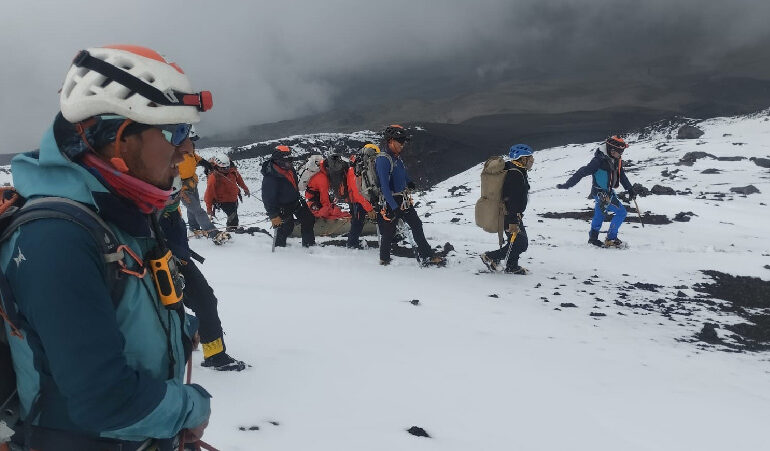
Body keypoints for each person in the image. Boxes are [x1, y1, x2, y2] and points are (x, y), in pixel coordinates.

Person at [0, 45, 211, 449]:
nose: (187, 151)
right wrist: (191, 407)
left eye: (189, 133)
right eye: (174, 133)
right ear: (118, 141)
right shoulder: (55, 237)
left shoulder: (119, 213)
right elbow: (102, 399)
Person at [160, 160, 247, 372]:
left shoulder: (169, 210)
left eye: (177, 194)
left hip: (178, 259)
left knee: (203, 300)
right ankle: (204, 347)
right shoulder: (151, 213)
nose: (177, 198)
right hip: (161, 261)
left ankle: (212, 352)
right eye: (173, 195)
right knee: (190, 302)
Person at [376, 125, 443, 266]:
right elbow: (384, 186)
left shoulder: (396, 157)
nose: (403, 144)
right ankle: (384, 259)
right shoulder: (383, 160)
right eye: (400, 140)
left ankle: (426, 255)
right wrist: (394, 206)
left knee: (416, 225)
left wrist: (409, 182)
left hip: (402, 199)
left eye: (403, 140)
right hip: (391, 200)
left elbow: (401, 172)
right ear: (391, 141)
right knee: (389, 231)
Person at [556, 136, 637, 247]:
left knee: (599, 214)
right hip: (602, 194)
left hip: (605, 192)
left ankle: (593, 238)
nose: (621, 154)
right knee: (621, 212)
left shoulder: (616, 160)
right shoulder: (598, 161)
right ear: (612, 150)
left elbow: (621, 176)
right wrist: (568, 185)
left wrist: (630, 189)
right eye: (620, 151)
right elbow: (582, 172)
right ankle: (611, 238)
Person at [480, 144, 533, 274]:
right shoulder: (515, 174)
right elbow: (513, 199)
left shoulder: (513, 168)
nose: (532, 161)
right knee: (521, 243)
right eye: (529, 158)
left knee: (515, 241)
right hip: (509, 215)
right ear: (522, 159)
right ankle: (490, 256)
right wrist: (513, 221)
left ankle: (512, 266)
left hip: (509, 213)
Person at [178, 127, 230, 244]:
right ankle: (214, 233)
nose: (192, 143)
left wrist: (207, 165)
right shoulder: (173, 153)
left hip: (192, 183)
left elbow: (197, 159)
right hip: (181, 188)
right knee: (198, 210)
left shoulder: (189, 151)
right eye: (190, 141)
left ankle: (194, 228)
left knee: (193, 208)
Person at [261, 145, 315, 247]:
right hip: (282, 207)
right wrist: (273, 215)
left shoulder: (289, 169)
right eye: (286, 160)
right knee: (286, 228)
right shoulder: (271, 177)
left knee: (308, 219)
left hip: (294, 201)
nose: (289, 162)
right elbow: (268, 198)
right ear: (278, 160)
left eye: (290, 159)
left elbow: (293, 183)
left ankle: (309, 245)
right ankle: (280, 249)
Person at [204, 153, 250, 230]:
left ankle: (231, 229)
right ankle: (232, 231)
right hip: (223, 201)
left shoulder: (232, 170)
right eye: (223, 168)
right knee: (233, 219)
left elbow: (239, 179)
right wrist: (209, 208)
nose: (226, 169)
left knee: (233, 216)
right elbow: (209, 193)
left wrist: (245, 188)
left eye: (227, 167)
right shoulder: (213, 177)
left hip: (233, 198)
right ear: (217, 166)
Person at [343, 153, 377, 248]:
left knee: (357, 221)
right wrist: (369, 208)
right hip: (357, 202)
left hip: (354, 201)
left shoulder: (352, 171)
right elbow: (358, 193)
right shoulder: (355, 173)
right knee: (357, 222)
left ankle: (352, 241)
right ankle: (352, 244)